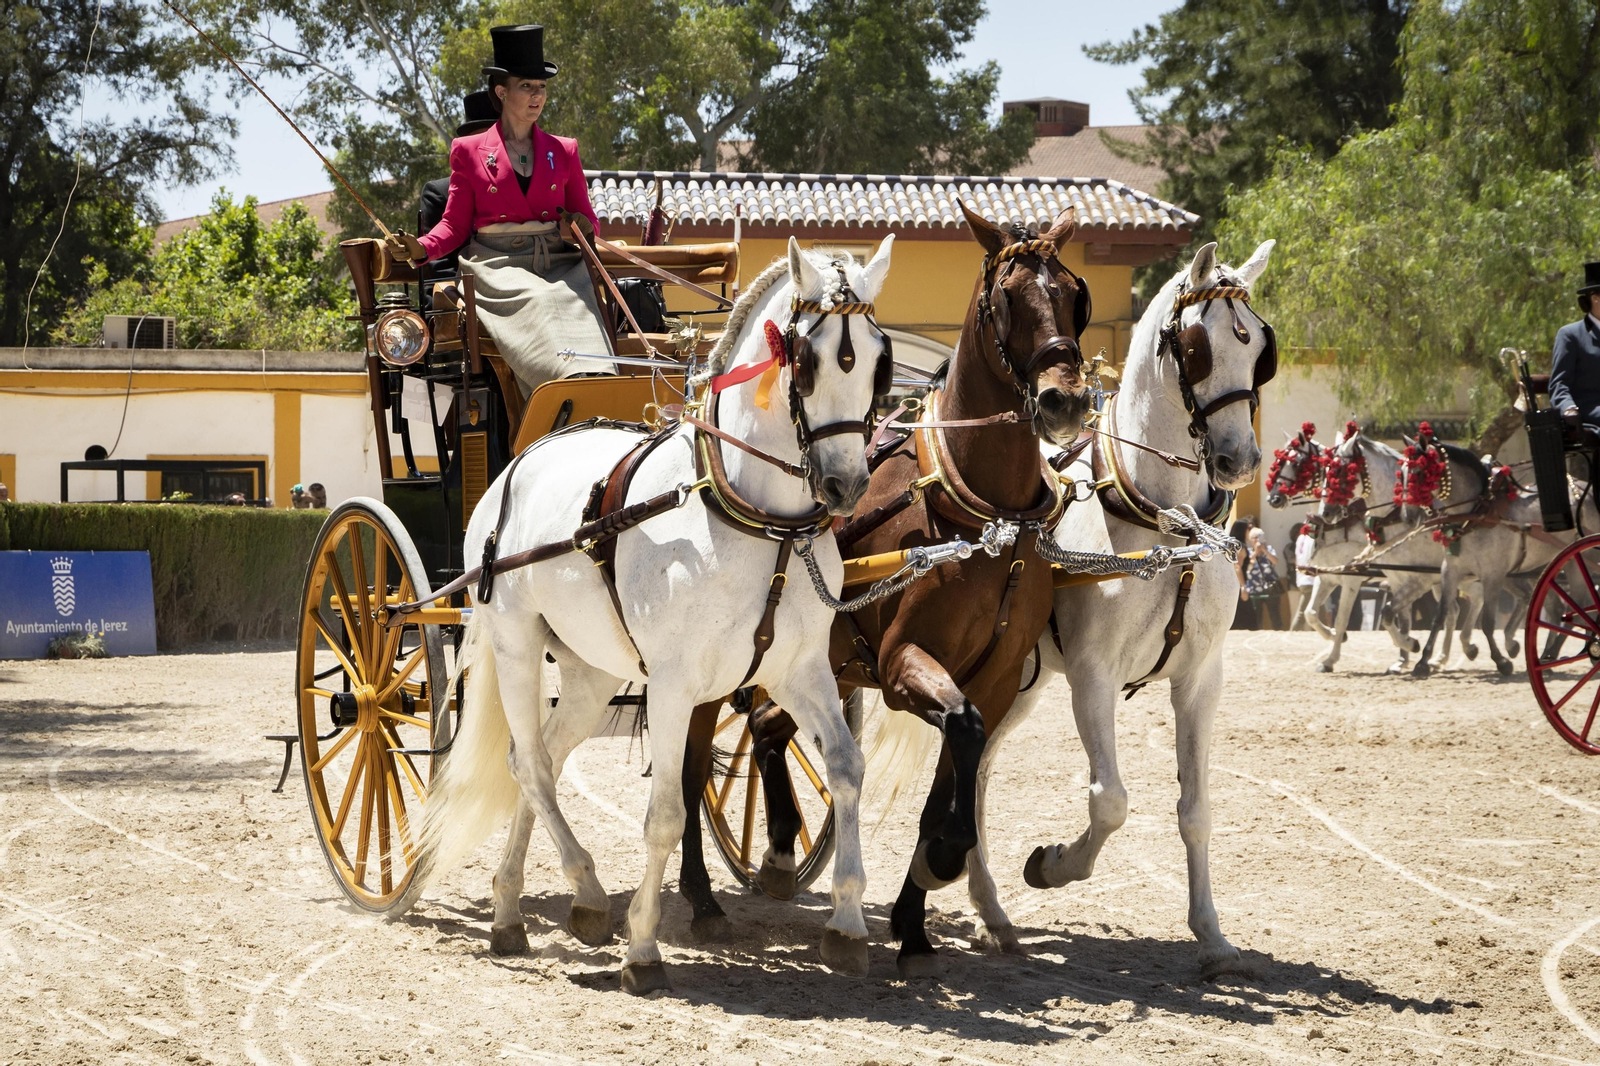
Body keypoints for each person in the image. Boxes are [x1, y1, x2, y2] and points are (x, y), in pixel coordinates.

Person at [383, 25, 610, 398]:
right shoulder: (468, 150)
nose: (537, 95)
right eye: (527, 86)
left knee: (567, 299)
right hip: (498, 264)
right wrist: (422, 248)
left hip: (559, 262)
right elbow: (454, 226)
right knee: (543, 300)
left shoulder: (564, 150)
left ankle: (596, 382)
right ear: (502, 92)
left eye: (542, 87)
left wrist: (584, 227)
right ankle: (560, 389)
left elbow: (589, 222)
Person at [1549, 261, 1600, 427]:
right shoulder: (1570, 335)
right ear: (1595, 298)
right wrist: (1568, 408)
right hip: (1590, 411)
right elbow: (1559, 383)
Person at [1243, 526, 1284, 630]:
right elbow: (1247, 569)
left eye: (1260, 537)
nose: (1258, 540)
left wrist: (1265, 551)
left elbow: (1275, 561)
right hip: (1254, 589)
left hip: (1270, 588)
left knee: (1275, 613)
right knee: (1257, 616)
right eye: (1255, 538)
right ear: (1250, 540)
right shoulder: (1247, 552)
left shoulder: (1269, 549)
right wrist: (1255, 553)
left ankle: (1278, 631)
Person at [1291, 523, 1316, 630]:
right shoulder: (1312, 539)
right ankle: (1293, 633)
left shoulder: (1300, 538)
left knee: (1319, 610)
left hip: (1302, 578)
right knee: (1302, 613)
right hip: (1310, 579)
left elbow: (1296, 561)